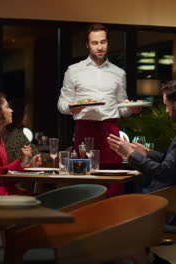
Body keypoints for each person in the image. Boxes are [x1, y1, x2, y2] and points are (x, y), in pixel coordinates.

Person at [107, 79, 176, 264]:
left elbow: (164, 172)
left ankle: (149, 260)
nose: (165, 111)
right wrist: (147, 153)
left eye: (167, 106)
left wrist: (130, 154)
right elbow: (174, 163)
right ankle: (148, 258)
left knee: (117, 220)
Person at [57, 23, 141, 196]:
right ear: (87, 45)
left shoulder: (119, 73)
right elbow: (62, 104)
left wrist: (131, 109)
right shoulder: (73, 71)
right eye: (95, 43)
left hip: (110, 132)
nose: (100, 47)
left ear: (108, 42)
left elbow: (121, 108)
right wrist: (72, 108)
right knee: (84, 188)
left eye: (103, 42)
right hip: (84, 131)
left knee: (114, 188)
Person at [3, 98, 39, 162]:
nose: (27, 116)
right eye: (25, 112)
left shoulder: (9, 131)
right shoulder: (15, 133)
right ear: (19, 114)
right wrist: (53, 155)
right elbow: (35, 154)